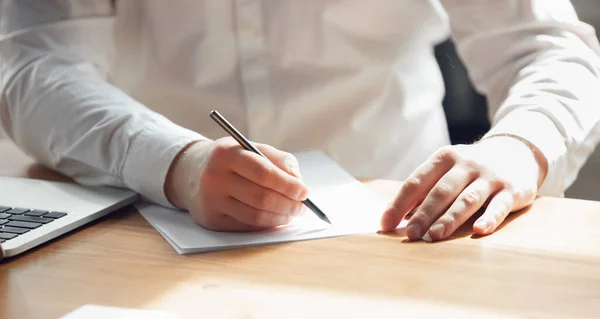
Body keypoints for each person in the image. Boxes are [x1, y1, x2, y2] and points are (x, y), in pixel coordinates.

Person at [1, 1, 599, 241]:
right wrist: (172, 162)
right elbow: (32, 63)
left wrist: (520, 147)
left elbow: (545, 46)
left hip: (403, 228)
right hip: (145, 224)